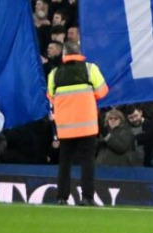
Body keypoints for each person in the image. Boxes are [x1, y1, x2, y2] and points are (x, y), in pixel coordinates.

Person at [44, 45, 109, 206]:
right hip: (87, 125)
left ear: (64, 54)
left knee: (65, 162)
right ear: (79, 53)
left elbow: (51, 97)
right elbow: (102, 91)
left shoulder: (55, 73)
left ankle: (61, 197)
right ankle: (87, 197)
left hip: (65, 126)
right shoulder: (90, 69)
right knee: (87, 161)